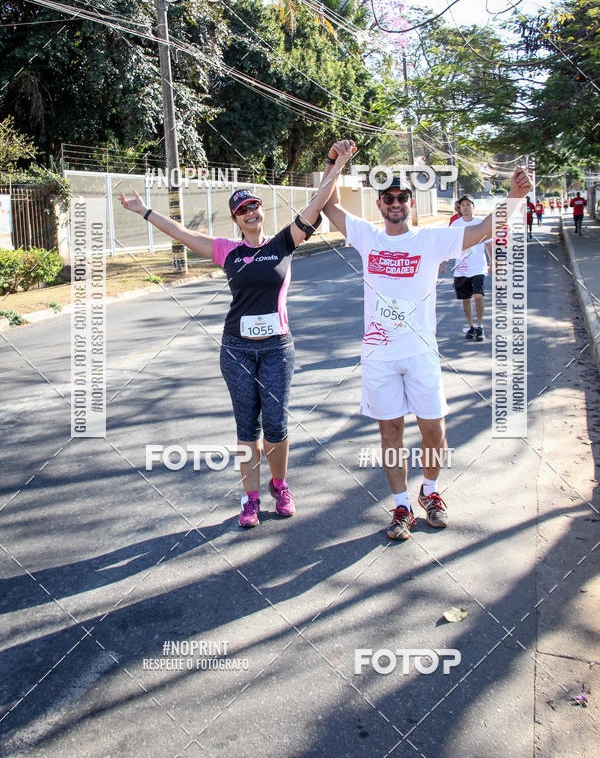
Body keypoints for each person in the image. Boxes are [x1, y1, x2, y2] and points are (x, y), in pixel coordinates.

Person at [119, 140, 356, 528]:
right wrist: (143, 210)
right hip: (237, 350)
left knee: (276, 425)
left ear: (262, 210)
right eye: (242, 210)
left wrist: (337, 163)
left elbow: (318, 202)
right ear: (236, 219)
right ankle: (250, 498)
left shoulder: (284, 242)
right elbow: (180, 232)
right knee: (247, 427)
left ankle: (279, 485)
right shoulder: (226, 251)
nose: (250, 213)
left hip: (277, 348)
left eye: (254, 206)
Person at [323, 160, 531, 541]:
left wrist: (516, 195)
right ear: (379, 203)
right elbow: (329, 205)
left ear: (412, 203)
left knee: (434, 429)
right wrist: (333, 165)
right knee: (391, 433)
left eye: (402, 198)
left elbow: (485, 227)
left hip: (421, 353)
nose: (395, 204)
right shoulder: (367, 236)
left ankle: (430, 492)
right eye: (389, 198)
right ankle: (401, 505)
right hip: (379, 356)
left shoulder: (431, 240)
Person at [440, 195, 492, 342]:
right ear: (460, 207)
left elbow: (488, 243)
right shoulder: (455, 224)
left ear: (473, 207)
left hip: (478, 267)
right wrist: (443, 262)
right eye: (463, 205)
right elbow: (448, 244)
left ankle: (480, 326)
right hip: (461, 268)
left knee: (478, 296)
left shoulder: (481, 223)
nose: (465, 207)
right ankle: (471, 327)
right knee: (466, 299)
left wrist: (492, 263)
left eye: (468, 204)